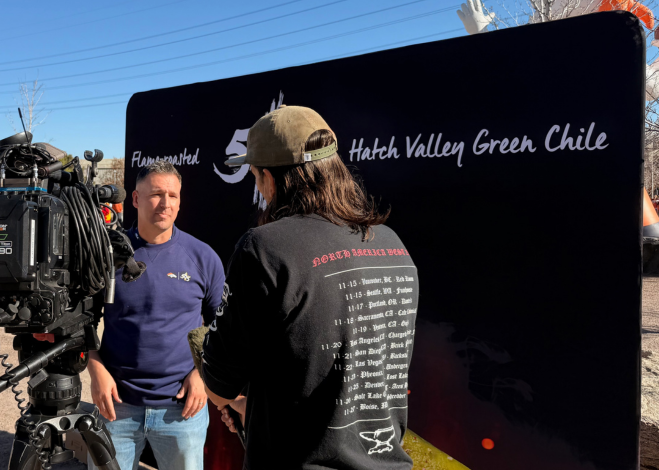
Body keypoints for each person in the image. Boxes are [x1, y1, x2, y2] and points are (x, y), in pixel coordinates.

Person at [201, 106, 418, 469]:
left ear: (270, 178)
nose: (258, 188)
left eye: (255, 175)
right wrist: (250, 405)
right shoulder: (392, 243)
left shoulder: (264, 247)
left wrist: (234, 397)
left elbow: (219, 383)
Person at [86, 161, 224, 470]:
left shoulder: (202, 257)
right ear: (135, 199)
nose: (165, 204)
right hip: (115, 406)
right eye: (156, 194)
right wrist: (95, 369)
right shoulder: (108, 254)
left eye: (173, 195)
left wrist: (201, 375)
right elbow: (81, 322)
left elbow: (222, 328)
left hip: (182, 410)